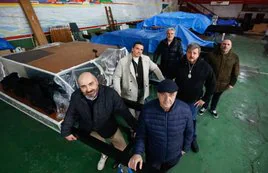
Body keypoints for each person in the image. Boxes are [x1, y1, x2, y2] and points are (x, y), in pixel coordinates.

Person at [61, 72, 137, 171]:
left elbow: (124, 112)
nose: (88, 89)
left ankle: (123, 164)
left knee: (122, 148)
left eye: (91, 84)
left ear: (97, 82)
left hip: (108, 127)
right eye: (83, 86)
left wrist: (136, 128)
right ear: (79, 87)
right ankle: (104, 155)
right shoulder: (76, 96)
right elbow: (71, 113)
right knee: (102, 146)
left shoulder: (110, 94)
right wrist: (65, 131)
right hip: (89, 129)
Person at [128, 79, 193, 172]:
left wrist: (185, 149)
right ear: (157, 94)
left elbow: (189, 131)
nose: (167, 100)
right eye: (163, 95)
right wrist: (138, 153)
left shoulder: (185, 110)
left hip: (174, 156)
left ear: (176, 94)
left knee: (165, 169)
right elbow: (141, 134)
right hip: (153, 155)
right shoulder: (147, 110)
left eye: (171, 95)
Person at [175, 43, 216, 153]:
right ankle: (179, 138)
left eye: (194, 53)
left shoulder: (205, 67)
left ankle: (192, 138)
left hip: (193, 102)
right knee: (177, 120)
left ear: (198, 54)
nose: (191, 55)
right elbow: (170, 77)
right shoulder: (179, 63)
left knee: (191, 121)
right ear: (186, 52)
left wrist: (204, 99)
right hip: (177, 99)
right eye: (189, 52)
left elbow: (212, 84)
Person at [113, 41, 164, 118]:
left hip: (143, 89)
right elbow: (116, 77)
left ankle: (140, 119)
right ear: (132, 49)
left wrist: (163, 81)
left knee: (141, 107)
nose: (139, 51)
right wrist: (118, 92)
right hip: (129, 92)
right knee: (131, 110)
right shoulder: (123, 61)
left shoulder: (146, 59)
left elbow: (155, 68)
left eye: (141, 49)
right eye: (137, 48)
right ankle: (134, 125)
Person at [199, 39, 240, 118]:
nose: (226, 46)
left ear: (231, 47)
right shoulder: (211, 55)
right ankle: (204, 107)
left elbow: (236, 71)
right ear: (221, 45)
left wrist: (232, 83)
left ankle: (213, 108)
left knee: (217, 96)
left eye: (228, 44)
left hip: (224, 83)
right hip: (210, 82)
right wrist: (202, 79)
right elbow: (205, 68)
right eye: (224, 44)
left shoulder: (234, 57)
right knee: (208, 94)